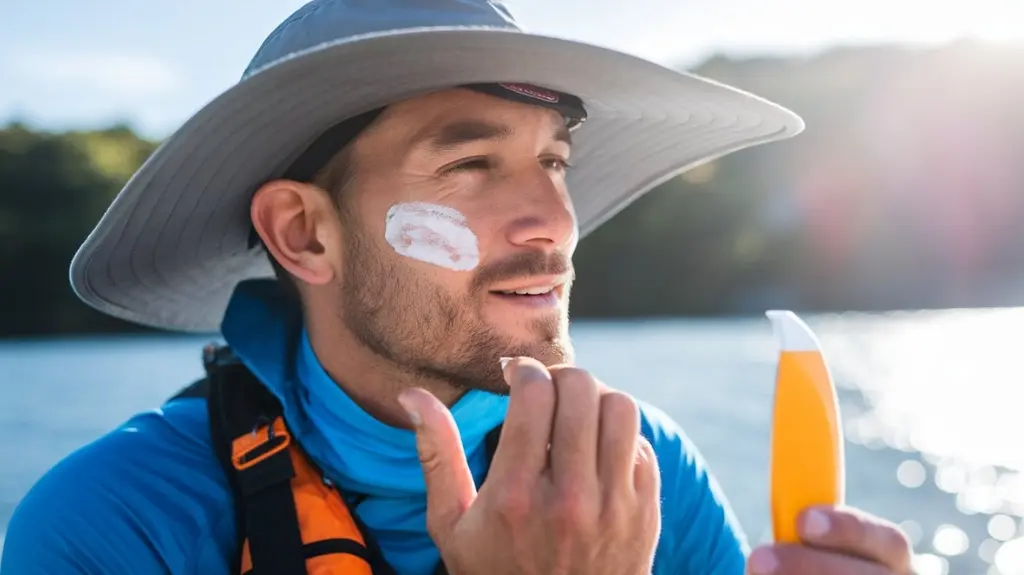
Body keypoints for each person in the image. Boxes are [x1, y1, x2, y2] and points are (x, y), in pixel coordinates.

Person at [1, 1, 913, 574]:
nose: (553, 221)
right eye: (471, 163)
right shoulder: (113, 529)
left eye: (554, 161)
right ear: (303, 232)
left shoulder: (640, 469)